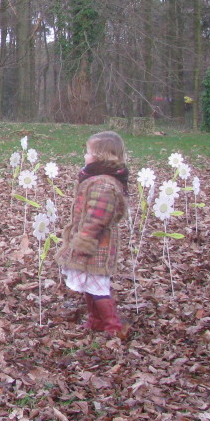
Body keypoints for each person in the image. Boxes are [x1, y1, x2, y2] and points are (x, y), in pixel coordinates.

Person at [56, 130, 130, 337]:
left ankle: (113, 326)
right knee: (89, 282)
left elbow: (98, 217)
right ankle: (95, 319)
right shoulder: (96, 179)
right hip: (90, 240)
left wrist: (84, 239)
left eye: (88, 152)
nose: (85, 156)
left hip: (97, 244)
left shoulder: (103, 185)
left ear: (101, 156)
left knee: (98, 285)